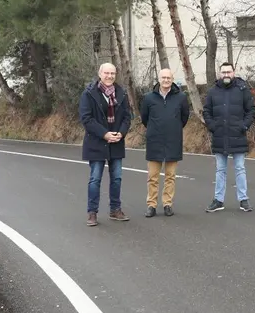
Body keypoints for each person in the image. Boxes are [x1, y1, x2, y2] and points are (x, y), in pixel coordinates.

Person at [79, 63, 132, 226]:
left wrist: (120, 133)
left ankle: (115, 210)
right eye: (107, 73)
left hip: (116, 142)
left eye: (112, 73)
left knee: (117, 178)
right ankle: (92, 212)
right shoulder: (88, 94)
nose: (109, 76)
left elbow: (127, 117)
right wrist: (104, 134)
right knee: (95, 179)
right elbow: (86, 119)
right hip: (96, 142)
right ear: (100, 74)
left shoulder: (121, 93)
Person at [202, 62, 255, 213]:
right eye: (223, 72)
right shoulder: (213, 91)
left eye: (229, 72)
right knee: (220, 170)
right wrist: (212, 126)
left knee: (240, 168)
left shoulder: (242, 89)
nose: (226, 75)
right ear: (219, 74)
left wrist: (244, 126)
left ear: (234, 73)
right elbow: (206, 111)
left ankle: (243, 200)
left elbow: (252, 110)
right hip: (219, 135)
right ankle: (218, 200)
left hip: (238, 135)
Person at [139, 68, 190, 217]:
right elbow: (144, 118)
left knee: (170, 176)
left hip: (173, 141)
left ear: (172, 79)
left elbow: (184, 117)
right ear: (158, 79)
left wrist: (174, 128)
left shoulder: (180, 97)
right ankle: (151, 205)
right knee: (153, 176)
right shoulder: (149, 98)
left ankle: (167, 204)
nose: (166, 80)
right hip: (154, 141)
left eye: (168, 77)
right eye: (163, 77)